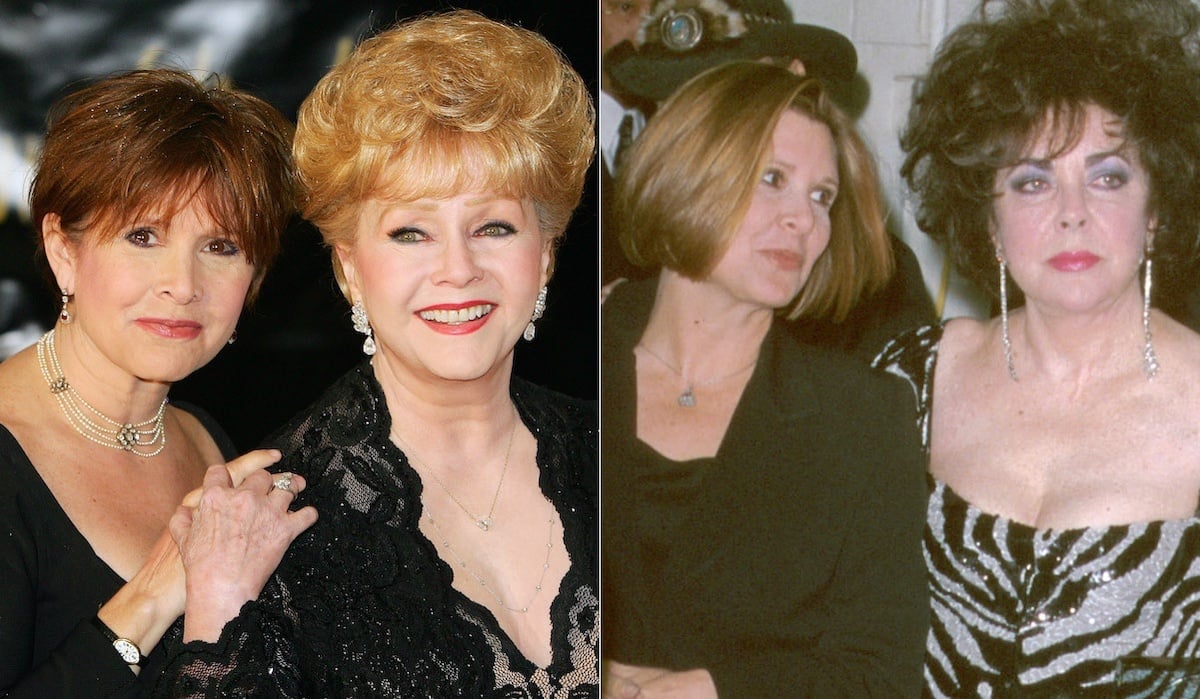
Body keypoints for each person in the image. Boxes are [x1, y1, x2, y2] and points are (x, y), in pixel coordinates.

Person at [151, 10, 598, 697]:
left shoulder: (621, 461)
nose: (458, 268)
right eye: (411, 232)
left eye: (495, 226)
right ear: (350, 267)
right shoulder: (274, 526)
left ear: (545, 256)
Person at [875, 0, 1200, 694]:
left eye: (1109, 176)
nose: (1072, 211)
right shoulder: (908, 379)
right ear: (988, 222)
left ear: (1158, 211)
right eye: (1031, 181)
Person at [602, 61, 928, 697]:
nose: (804, 221)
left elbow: (879, 672)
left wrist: (710, 690)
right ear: (689, 174)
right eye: (773, 179)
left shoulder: (864, 416)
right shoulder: (542, 361)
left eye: (822, 197)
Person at [0, 69, 313, 695]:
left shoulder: (210, 443)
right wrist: (152, 596)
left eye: (221, 246)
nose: (183, 284)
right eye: (143, 236)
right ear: (64, 251)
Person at [602, 0, 936, 362]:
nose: (709, 130)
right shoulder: (617, 254)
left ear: (794, 74)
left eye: (738, 97)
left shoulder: (872, 282)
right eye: (680, 101)